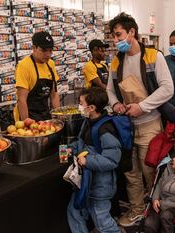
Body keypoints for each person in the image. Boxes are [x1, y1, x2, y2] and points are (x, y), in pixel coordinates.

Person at [106, 12, 175, 227]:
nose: (115, 40)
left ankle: (158, 210)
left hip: (150, 124)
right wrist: (116, 104)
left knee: (151, 171)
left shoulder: (154, 56)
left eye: (118, 35)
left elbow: (167, 89)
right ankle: (136, 209)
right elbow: (110, 90)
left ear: (132, 32)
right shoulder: (115, 62)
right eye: (113, 37)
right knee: (131, 172)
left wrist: (142, 106)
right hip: (126, 127)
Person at [67, 87, 122, 233]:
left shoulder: (105, 129)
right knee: (74, 212)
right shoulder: (88, 122)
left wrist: (88, 161)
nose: (79, 106)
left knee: (102, 221)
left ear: (91, 108)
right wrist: (71, 149)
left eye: (81, 103)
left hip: (100, 186)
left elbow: (112, 160)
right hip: (85, 183)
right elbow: (82, 143)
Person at [13, 31, 60, 122]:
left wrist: (59, 116)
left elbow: (54, 94)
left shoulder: (51, 64)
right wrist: (26, 124)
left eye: (50, 50)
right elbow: (22, 100)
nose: (48, 55)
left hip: (44, 115)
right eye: (43, 50)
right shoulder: (24, 66)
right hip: (27, 116)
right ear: (34, 48)